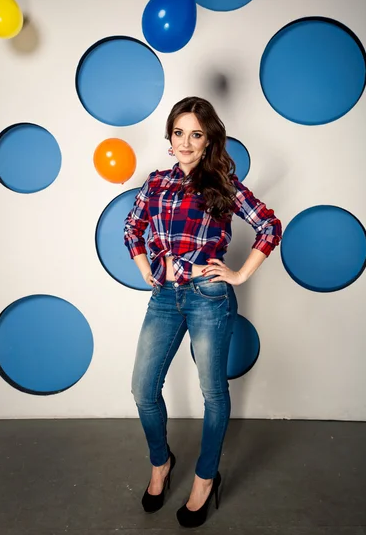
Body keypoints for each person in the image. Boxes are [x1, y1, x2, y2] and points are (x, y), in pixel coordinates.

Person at [123, 96, 282, 528]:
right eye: (179, 133)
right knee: (142, 388)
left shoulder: (223, 183)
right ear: (169, 139)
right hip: (165, 297)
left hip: (210, 296)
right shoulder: (156, 183)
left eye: (196, 133)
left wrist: (240, 275)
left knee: (213, 392)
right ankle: (161, 463)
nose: (187, 142)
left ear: (208, 138)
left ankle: (205, 477)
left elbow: (269, 224)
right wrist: (150, 273)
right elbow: (131, 229)